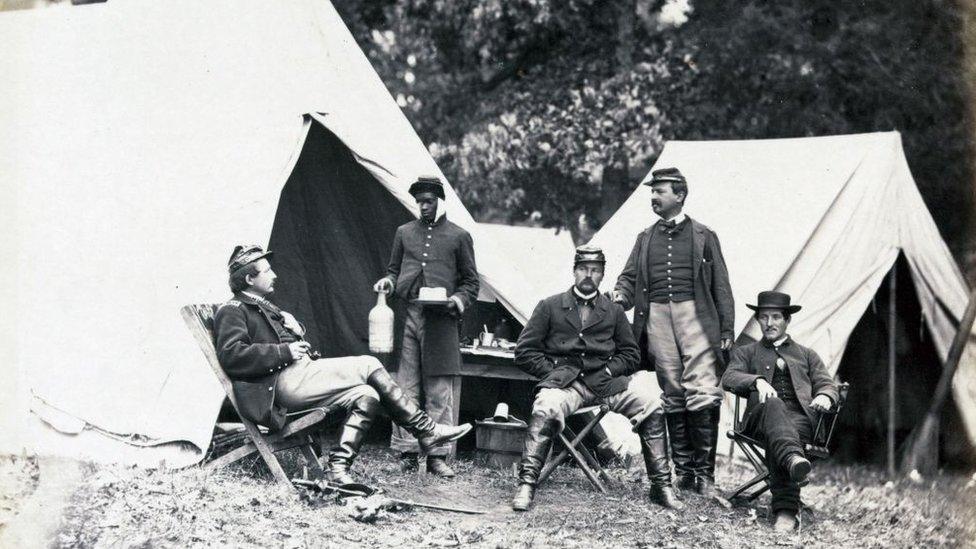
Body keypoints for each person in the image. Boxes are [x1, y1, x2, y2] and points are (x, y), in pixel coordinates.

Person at [213, 244, 472, 486]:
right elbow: (232, 355)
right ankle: (426, 431)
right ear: (249, 279)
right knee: (368, 363)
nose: (275, 275)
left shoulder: (261, 305)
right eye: (267, 271)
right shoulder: (233, 310)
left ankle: (337, 469)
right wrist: (286, 350)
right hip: (280, 387)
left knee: (367, 395)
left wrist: (296, 330)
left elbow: (278, 343)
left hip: (299, 376)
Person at [511, 245, 683, 511]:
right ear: (574, 271)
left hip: (606, 384)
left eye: (595, 270)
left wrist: (610, 371)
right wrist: (554, 373)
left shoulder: (613, 312)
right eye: (583, 269)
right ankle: (527, 483)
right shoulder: (550, 305)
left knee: (652, 403)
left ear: (602, 275)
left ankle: (661, 488)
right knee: (546, 406)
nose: (588, 276)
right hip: (565, 386)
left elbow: (631, 354)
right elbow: (524, 352)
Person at [613, 167, 734, 497]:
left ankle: (705, 477)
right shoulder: (644, 237)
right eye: (652, 191)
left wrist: (726, 328)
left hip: (696, 317)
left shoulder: (704, 235)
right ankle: (684, 473)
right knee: (673, 393)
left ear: (679, 195)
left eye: (660, 190)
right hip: (657, 319)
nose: (653, 196)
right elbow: (628, 278)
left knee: (704, 390)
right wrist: (620, 295)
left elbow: (721, 285)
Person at [373, 176, 479, 477]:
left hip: (442, 321)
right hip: (411, 316)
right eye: (419, 201)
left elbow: (471, 282)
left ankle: (436, 456)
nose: (423, 206)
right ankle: (407, 452)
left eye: (429, 201)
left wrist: (457, 300)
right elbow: (394, 271)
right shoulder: (404, 232)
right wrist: (389, 283)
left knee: (439, 390)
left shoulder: (459, 236)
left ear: (441, 202)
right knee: (404, 387)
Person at [721, 291, 839, 531]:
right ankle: (786, 505)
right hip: (760, 419)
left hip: (801, 422)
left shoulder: (807, 354)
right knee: (774, 404)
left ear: (787, 320)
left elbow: (827, 384)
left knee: (787, 432)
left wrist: (826, 396)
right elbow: (729, 377)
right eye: (763, 317)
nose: (769, 323)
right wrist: (757, 381)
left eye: (776, 317)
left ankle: (790, 463)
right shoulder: (747, 352)